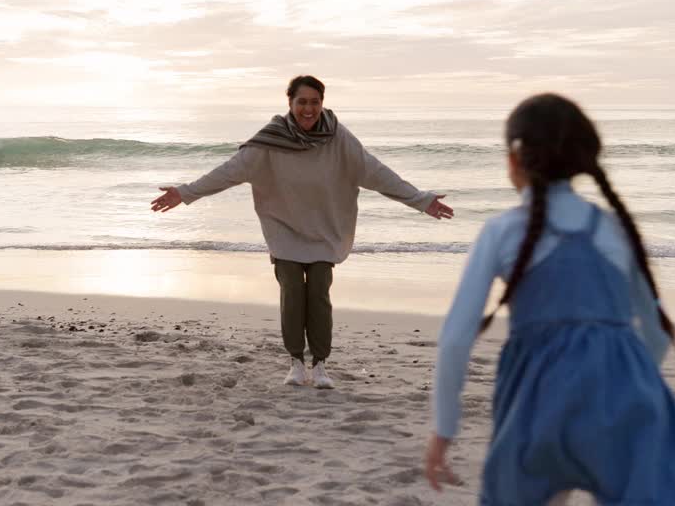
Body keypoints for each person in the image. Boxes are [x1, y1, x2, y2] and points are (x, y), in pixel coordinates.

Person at [423, 93, 675, 505]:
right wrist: (626, 384)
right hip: (623, 397)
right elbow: (659, 335)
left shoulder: (502, 231)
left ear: (515, 158)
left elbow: (455, 340)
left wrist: (443, 431)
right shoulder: (614, 228)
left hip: (539, 401)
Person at [151, 75, 453, 389]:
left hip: (325, 231)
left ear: (322, 103)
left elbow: (375, 172)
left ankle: (320, 364)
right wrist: (186, 193)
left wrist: (421, 201)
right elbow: (229, 172)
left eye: (315, 102)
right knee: (293, 292)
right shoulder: (271, 139)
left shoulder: (338, 138)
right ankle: (296, 362)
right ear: (290, 104)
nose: (308, 109)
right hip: (285, 229)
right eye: (302, 102)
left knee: (319, 291)